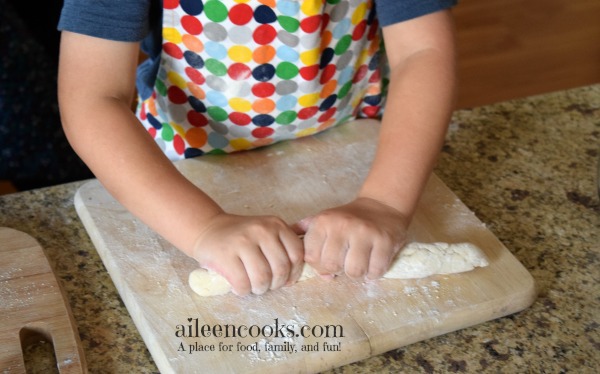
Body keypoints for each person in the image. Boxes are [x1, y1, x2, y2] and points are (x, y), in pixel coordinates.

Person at [57, 0, 457, 296]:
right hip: (188, 157)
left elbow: (423, 53)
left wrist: (385, 202)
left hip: (346, 135)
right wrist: (203, 228)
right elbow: (92, 98)